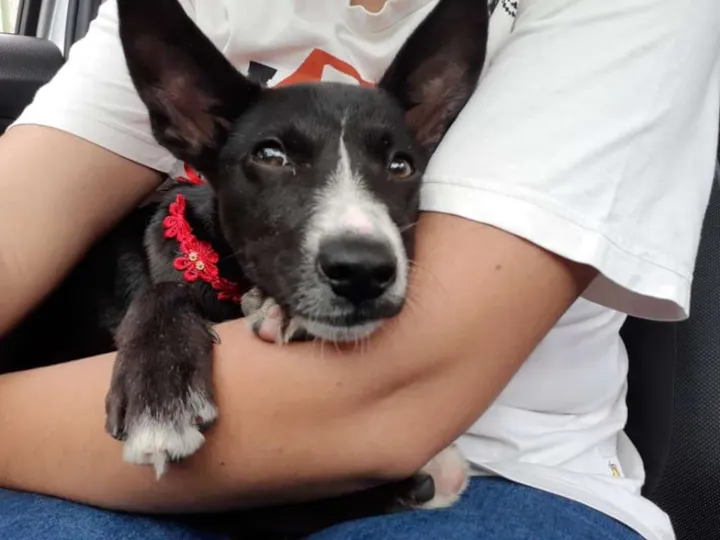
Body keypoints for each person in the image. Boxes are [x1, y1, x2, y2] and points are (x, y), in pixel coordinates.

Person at [0, 0, 718, 538]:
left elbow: (384, 403)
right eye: (274, 156)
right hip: (127, 451)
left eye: (398, 163)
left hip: (502, 469)